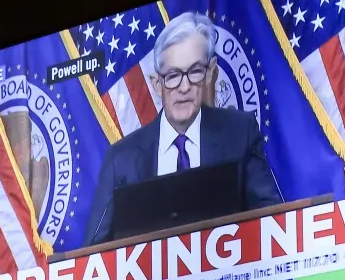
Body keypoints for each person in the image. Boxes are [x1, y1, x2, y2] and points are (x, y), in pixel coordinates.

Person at [83, 12, 283, 244]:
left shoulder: (240, 133)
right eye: (173, 75)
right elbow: (92, 252)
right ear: (157, 84)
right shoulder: (121, 159)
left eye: (195, 71)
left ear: (210, 72)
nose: (184, 86)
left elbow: (272, 221)